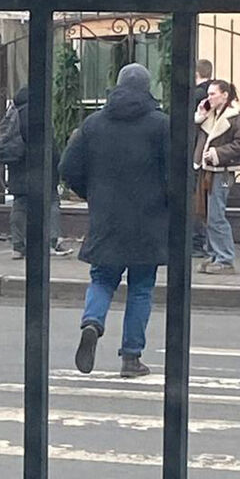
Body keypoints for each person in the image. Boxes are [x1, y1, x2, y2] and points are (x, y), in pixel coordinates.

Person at [59, 63, 169, 378]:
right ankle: (131, 358)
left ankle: (92, 322)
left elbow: (68, 167)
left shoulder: (94, 124)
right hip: (148, 220)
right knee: (141, 287)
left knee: (102, 279)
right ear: (147, 88)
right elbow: (175, 174)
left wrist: (91, 192)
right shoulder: (161, 125)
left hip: (106, 218)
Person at [5, 86, 73, 260]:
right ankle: (51, 241)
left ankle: (17, 246)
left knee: (20, 205)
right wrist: (58, 165)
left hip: (17, 169)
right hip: (40, 168)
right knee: (51, 202)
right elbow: (50, 145)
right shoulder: (38, 115)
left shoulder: (13, 115)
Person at [194, 80, 240, 274]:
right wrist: (200, 115)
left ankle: (224, 258)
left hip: (222, 171)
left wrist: (217, 153)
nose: (209, 97)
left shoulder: (235, 118)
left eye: (213, 94)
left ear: (225, 95)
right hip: (210, 170)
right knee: (208, 214)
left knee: (216, 216)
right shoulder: (213, 115)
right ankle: (215, 255)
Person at [192, 59, 214, 257]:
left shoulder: (198, 95)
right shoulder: (214, 94)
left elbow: (193, 123)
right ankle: (205, 241)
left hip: (198, 153)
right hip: (209, 154)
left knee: (196, 200)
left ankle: (197, 242)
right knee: (206, 201)